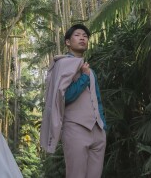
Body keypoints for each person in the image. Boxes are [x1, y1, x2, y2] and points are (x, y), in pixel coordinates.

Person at [41, 24, 107, 178]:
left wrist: (103, 125)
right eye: (77, 35)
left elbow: (97, 100)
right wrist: (83, 77)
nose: (82, 38)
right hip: (75, 128)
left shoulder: (90, 70)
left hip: (98, 130)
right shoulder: (62, 64)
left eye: (85, 36)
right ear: (68, 42)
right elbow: (64, 97)